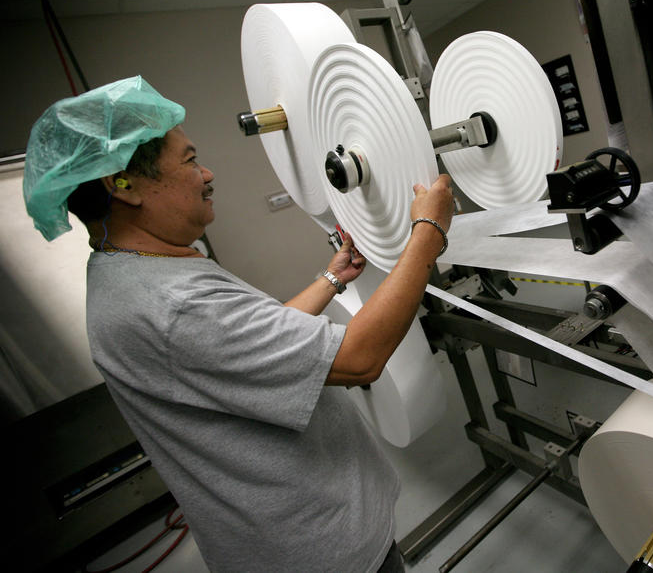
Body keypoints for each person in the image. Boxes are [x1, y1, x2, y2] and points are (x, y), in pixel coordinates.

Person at [23, 76, 455, 572]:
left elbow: (249, 353)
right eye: (188, 161)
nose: (206, 173)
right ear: (122, 185)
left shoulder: (129, 273)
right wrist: (429, 229)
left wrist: (331, 279)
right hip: (322, 553)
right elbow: (360, 359)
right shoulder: (172, 303)